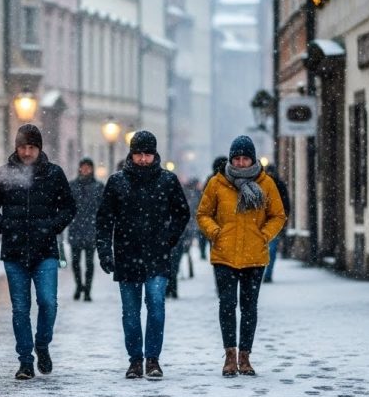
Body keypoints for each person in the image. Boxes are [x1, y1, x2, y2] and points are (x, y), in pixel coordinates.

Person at [0, 124, 75, 380]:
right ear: (16, 147)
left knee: (48, 302)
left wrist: (52, 226)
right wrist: (3, 226)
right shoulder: (4, 173)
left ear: (39, 148)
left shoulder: (53, 174)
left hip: (45, 251)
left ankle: (42, 343)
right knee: (20, 309)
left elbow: (68, 207)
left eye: (31, 147)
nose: (26, 152)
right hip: (14, 251)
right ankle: (25, 360)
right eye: (22, 147)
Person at [96, 131, 189, 379]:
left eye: (147, 154)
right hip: (127, 254)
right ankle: (135, 359)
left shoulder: (167, 181)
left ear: (154, 154)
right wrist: (105, 252)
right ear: (131, 154)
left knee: (156, 306)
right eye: (139, 154)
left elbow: (182, 213)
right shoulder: (117, 182)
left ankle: (153, 359)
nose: (143, 159)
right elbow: (104, 220)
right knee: (130, 310)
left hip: (156, 255)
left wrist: (168, 239)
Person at [196, 136, 286, 377]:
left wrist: (263, 235)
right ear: (231, 158)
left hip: (254, 256)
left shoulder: (266, 184)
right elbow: (203, 213)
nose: (242, 162)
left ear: (253, 159)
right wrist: (216, 232)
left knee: (249, 307)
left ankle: (245, 356)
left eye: (246, 158)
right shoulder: (217, 183)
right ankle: (230, 355)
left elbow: (278, 215)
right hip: (224, 255)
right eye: (237, 158)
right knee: (227, 305)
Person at [68, 157, 103, 302]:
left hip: (91, 229)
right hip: (76, 228)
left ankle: (87, 290)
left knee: (89, 263)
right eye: (84, 167)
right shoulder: (72, 186)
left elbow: (103, 208)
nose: (86, 169)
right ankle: (78, 286)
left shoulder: (98, 186)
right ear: (79, 168)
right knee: (75, 263)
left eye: (89, 167)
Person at [263, 164, 291, 283]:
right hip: (268, 223)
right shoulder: (275, 185)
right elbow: (286, 205)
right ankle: (266, 273)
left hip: (270, 223)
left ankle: (266, 273)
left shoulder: (273, 185)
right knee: (270, 250)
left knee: (270, 249)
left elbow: (286, 205)